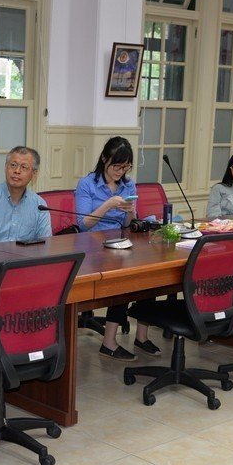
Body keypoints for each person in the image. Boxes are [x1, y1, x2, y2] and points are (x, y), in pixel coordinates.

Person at [75, 137, 155, 359]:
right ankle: (109, 341)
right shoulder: (87, 184)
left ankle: (142, 336)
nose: (120, 171)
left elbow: (129, 225)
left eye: (126, 166)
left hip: (121, 241)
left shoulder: (128, 185)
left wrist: (130, 211)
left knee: (149, 274)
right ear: (104, 159)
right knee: (123, 278)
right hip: (92, 245)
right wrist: (108, 204)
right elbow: (84, 224)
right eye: (117, 166)